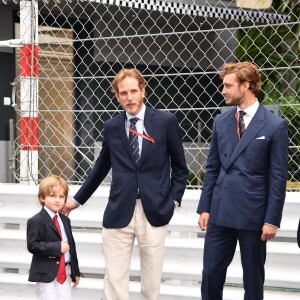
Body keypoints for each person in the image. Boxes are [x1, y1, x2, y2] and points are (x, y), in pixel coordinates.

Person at [62, 68, 189, 300]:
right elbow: (101, 167)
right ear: (117, 95)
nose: (129, 97)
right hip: (119, 210)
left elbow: (181, 168)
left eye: (133, 91)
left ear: (143, 91)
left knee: (151, 285)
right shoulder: (112, 126)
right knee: (115, 282)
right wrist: (76, 200)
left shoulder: (165, 121)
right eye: (123, 93)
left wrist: (173, 201)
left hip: (155, 210)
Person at [197, 61, 289, 300]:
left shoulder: (274, 125)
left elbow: (278, 178)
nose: (223, 90)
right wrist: (205, 207)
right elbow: (213, 167)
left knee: (253, 279)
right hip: (220, 212)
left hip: (254, 216)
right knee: (210, 275)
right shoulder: (221, 122)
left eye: (228, 86)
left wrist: (272, 220)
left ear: (246, 85)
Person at [27, 175, 80, 300]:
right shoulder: (36, 221)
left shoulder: (65, 220)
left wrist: (75, 272)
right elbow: (32, 245)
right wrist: (57, 247)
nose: (57, 200)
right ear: (42, 197)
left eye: (61, 197)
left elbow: (72, 247)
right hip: (46, 272)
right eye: (52, 196)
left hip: (65, 271)